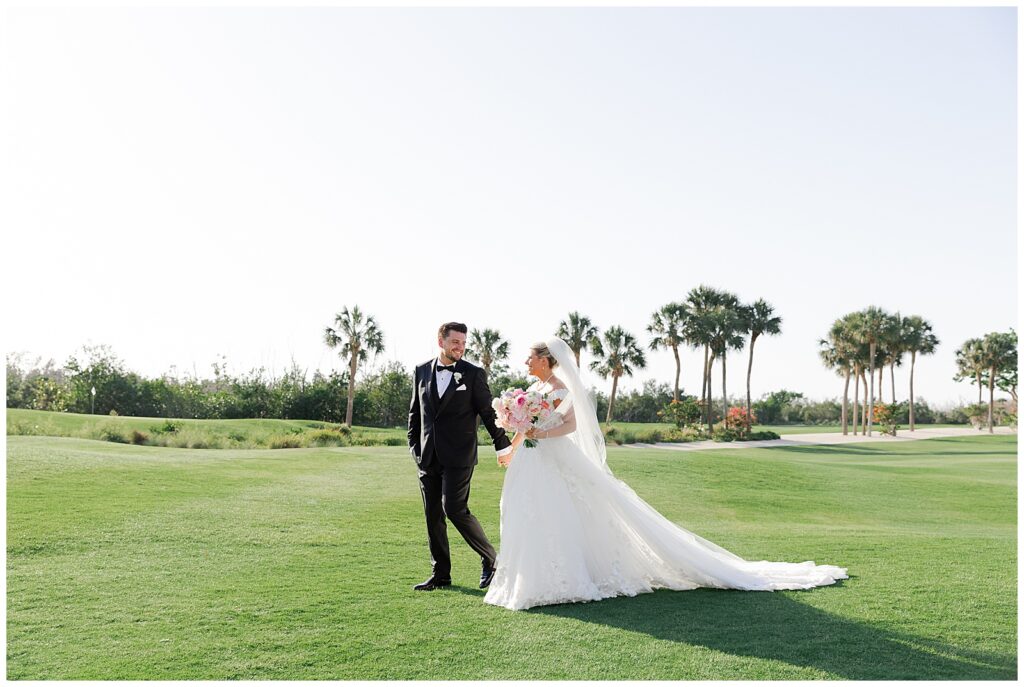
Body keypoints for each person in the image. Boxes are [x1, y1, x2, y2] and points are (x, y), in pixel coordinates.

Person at [484, 336, 848, 611]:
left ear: (546, 360)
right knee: (531, 514)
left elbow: (568, 426)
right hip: (532, 462)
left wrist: (539, 434)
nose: (526, 361)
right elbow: (522, 422)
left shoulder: (562, 390)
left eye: (530, 357)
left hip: (556, 456)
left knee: (563, 512)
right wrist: (512, 449)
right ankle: (531, 578)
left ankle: (566, 578)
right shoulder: (533, 390)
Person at [408, 322, 512, 591]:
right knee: (433, 516)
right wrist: (415, 450)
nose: (460, 347)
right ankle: (441, 574)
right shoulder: (421, 371)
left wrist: (503, 446)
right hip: (427, 456)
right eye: (455, 342)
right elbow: (414, 416)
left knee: (453, 509)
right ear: (440, 341)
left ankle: (490, 559)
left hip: (460, 456)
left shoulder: (473, 374)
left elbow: (489, 414)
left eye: (464, 343)